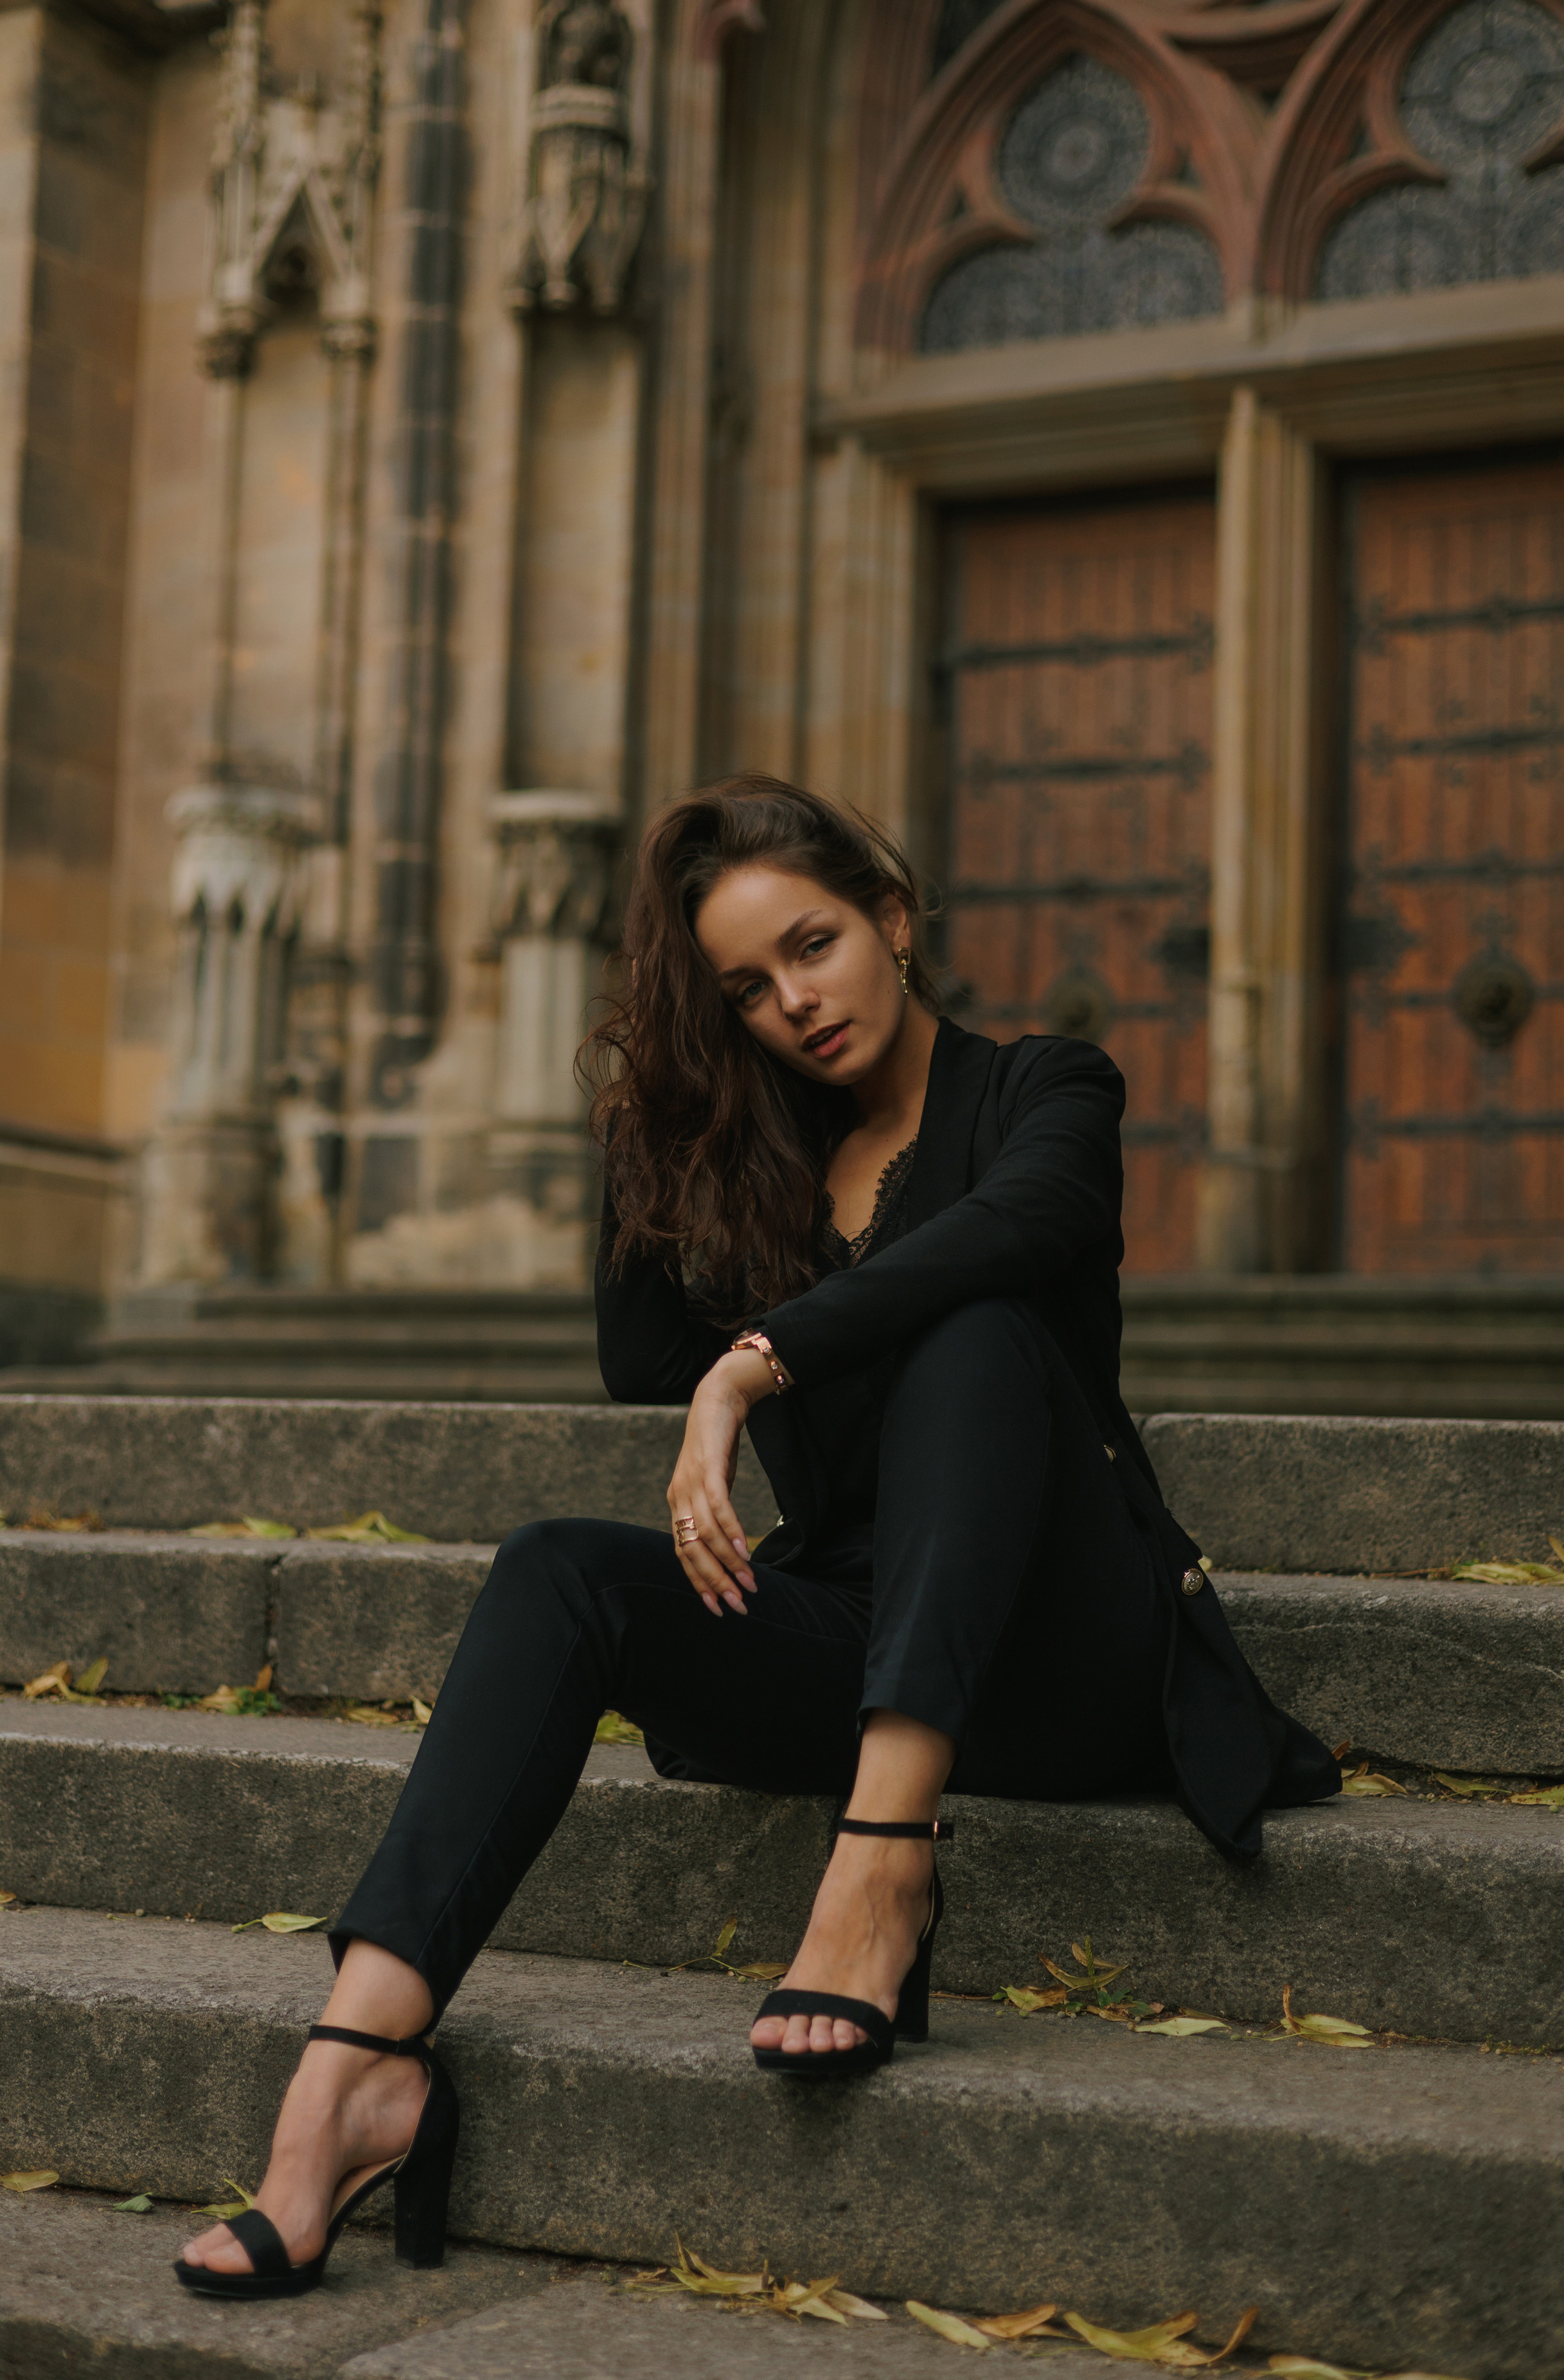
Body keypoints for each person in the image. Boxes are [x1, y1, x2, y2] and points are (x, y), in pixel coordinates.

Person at [176, 773, 1338, 2300]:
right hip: (860, 1637)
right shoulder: (764, 1165)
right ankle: (358, 2066)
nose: (793, 1002)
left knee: (975, 1323)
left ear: (893, 921)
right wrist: (655, 1100)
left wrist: (756, 1364)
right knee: (555, 1570)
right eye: (744, 988)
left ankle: (880, 1871)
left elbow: (1024, 1226)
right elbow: (633, 1356)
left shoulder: (1046, 1089)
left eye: (811, 947)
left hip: (1071, 1651)